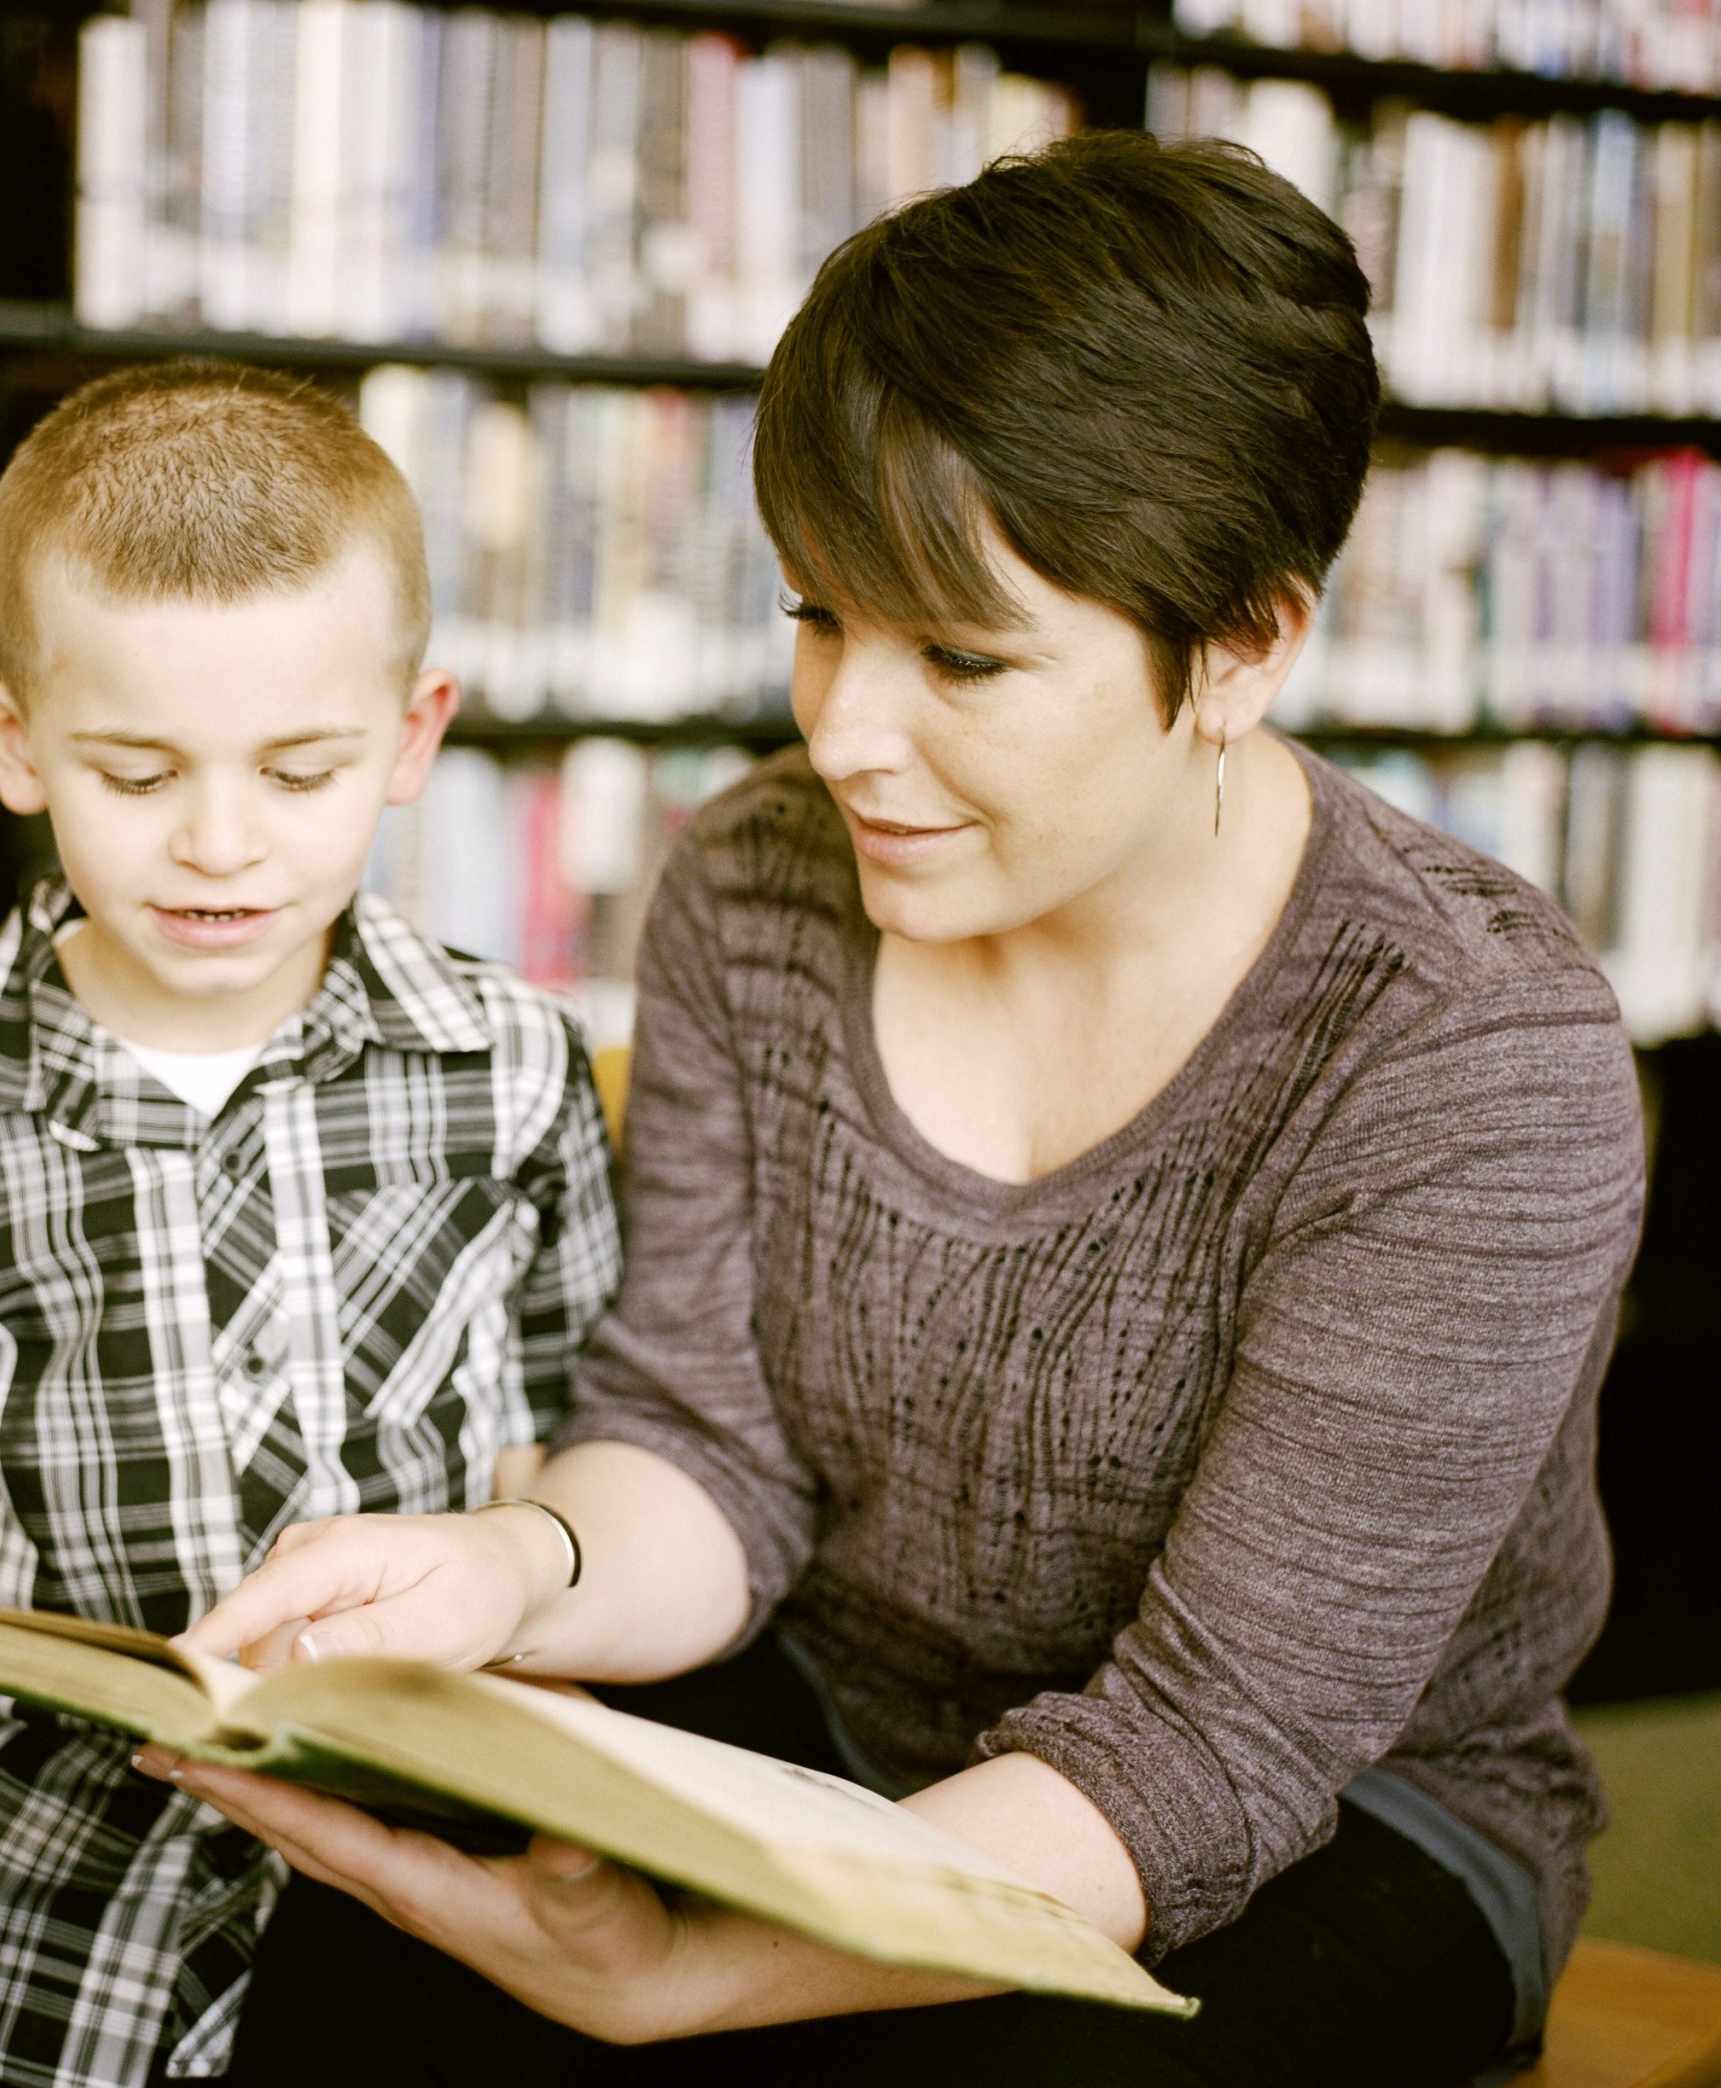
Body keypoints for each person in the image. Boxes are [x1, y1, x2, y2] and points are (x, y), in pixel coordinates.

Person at [153, 135, 1648, 2088]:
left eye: (958, 655)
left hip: (1342, 1826)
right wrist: (505, 1572)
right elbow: (707, 1451)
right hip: (841, 1716)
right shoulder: (754, 884)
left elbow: (1210, 1751)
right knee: (359, 1976)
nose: (844, 733)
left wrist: (689, 1969)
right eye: (816, 617)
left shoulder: (1461, 1055)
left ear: (1244, 649)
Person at [0, 362, 622, 2088]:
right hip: (22, 1934)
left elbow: (566, 1452)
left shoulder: (508, 1066)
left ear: (414, 737)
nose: (221, 846)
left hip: (417, 1903)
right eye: (138, 772)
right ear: (14, 746)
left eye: (299, 770)